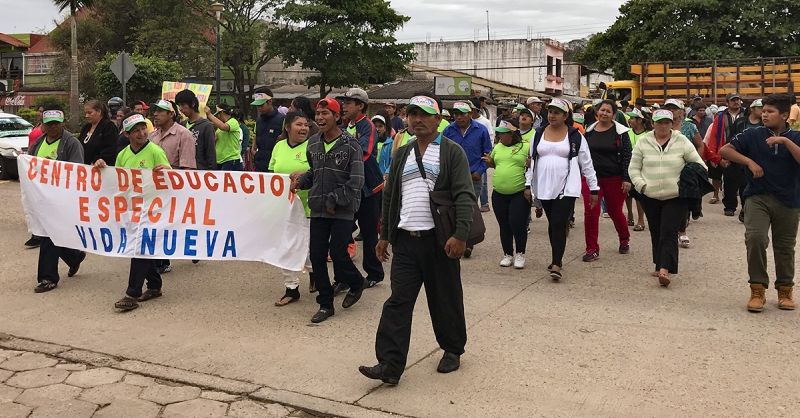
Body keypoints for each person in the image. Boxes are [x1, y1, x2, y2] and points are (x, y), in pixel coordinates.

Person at [359, 95, 475, 385]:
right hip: (406, 241)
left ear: (438, 120)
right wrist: (384, 235)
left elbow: (464, 194)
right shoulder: (402, 153)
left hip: (440, 240)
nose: (417, 119)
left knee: (444, 299)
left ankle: (452, 349)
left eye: (424, 115)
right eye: (412, 114)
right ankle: (390, 364)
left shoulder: (452, 152)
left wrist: (460, 234)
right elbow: (390, 196)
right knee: (398, 302)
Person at [719, 93, 800, 312]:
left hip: (789, 199)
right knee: (755, 238)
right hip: (757, 195)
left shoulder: (797, 136)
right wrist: (749, 161)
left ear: (784, 115)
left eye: (770, 111)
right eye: (763, 110)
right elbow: (725, 150)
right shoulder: (752, 134)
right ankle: (757, 289)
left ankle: (785, 290)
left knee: (784, 247)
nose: (764, 114)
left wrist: (784, 141)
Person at [290, 98, 366, 323]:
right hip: (318, 208)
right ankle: (325, 303)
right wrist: (301, 182)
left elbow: (356, 181)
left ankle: (355, 282)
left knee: (339, 254)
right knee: (317, 255)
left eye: (326, 113)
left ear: (337, 117)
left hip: (342, 210)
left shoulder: (351, 145)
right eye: (318, 114)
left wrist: (335, 199)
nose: (321, 118)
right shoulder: (313, 144)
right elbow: (314, 173)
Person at [94, 113, 171, 311]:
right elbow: (117, 180)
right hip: (132, 210)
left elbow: (171, 180)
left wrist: (167, 172)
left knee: (139, 248)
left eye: (143, 128)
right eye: (136, 130)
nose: (141, 133)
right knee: (140, 248)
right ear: (127, 134)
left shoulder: (155, 151)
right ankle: (154, 285)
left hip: (153, 209)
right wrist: (102, 167)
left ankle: (132, 293)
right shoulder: (123, 155)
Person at [629, 110, 705, 287]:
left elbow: (698, 164)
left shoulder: (682, 141)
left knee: (669, 230)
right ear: (653, 123)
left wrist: (687, 180)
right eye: (659, 122)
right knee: (656, 230)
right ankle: (658, 263)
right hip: (650, 195)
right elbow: (633, 168)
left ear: (672, 123)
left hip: (676, 196)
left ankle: (665, 268)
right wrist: (642, 185)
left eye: (666, 122)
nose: (663, 126)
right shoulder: (643, 141)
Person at [525, 98, 599, 280]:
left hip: (566, 187)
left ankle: (556, 263)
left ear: (566, 116)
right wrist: (528, 184)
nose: (552, 115)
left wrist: (594, 188)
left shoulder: (575, 135)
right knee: (553, 224)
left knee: (558, 223)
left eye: (557, 112)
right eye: (550, 112)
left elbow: (587, 163)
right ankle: (556, 256)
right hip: (543, 186)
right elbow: (530, 161)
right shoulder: (538, 133)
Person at [30, 107, 87, 293]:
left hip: (62, 199)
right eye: (49, 124)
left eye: (56, 123)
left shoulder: (71, 143)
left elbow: (77, 171)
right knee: (53, 234)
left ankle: (48, 277)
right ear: (43, 126)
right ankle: (74, 257)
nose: (53, 127)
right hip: (43, 198)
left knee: (48, 236)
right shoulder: (39, 142)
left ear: (63, 123)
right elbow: (31, 165)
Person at [339, 87, 385, 288]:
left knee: (368, 232)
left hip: (368, 188)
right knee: (342, 230)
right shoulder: (344, 126)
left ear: (360, 106)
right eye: (344, 102)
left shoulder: (368, 126)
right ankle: (346, 275)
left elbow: (363, 154)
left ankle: (374, 273)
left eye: (349, 103)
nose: (344, 106)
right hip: (350, 187)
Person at [270, 112, 313, 305]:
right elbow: (271, 173)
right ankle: (291, 287)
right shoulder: (278, 146)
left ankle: (315, 274)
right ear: (287, 127)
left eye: (306, 125)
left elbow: (319, 172)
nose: (304, 128)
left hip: (308, 207)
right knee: (286, 246)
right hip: (284, 207)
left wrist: (304, 175)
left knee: (310, 248)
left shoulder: (313, 147)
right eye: (299, 124)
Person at [582, 99, 633, 261]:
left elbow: (627, 156)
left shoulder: (621, 133)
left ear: (614, 114)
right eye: (602, 110)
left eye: (608, 111)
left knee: (614, 211)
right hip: (591, 179)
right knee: (591, 212)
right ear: (597, 112)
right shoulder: (588, 131)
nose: (604, 113)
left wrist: (626, 178)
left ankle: (624, 238)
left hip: (614, 178)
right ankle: (592, 249)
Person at [443, 101, 492, 258]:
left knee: (469, 207)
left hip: (474, 176)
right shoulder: (448, 130)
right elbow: (441, 152)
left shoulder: (481, 130)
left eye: (462, 114)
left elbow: (487, 154)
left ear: (470, 114)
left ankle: (468, 242)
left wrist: (480, 171)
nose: (459, 117)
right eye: (456, 114)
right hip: (452, 176)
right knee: (452, 207)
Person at [483, 119, 530, 268]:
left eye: (503, 133)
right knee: (504, 225)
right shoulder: (498, 147)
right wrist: (489, 161)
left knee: (517, 223)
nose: (500, 136)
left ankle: (520, 253)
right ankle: (508, 254)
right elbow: (495, 164)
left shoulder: (525, 147)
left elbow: (532, 166)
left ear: (512, 134)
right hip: (499, 193)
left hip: (519, 193)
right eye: (499, 133)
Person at [664, 98, 703, 248]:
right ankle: (668, 229)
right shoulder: (660, 125)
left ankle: (682, 230)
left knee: (682, 201)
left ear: (681, 111)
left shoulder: (689, 127)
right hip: (665, 168)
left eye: (674, 108)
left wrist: (695, 162)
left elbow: (700, 145)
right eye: (668, 108)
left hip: (685, 170)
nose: (671, 111)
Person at [704, 93, 745, 216]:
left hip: (744, 152)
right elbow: (714, 137)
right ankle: (730, 206)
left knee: (745, 182)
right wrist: (716, 157)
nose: (736, 102)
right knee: (729, 181)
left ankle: (745, 207)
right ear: (727, 102)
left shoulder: (746, 115)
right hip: (727, 152)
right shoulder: (720, 117)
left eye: (738, 100)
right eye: (733, 100)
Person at [730, 99, 765, 222]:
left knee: (751, 184)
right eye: (760, 108)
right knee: (739, 184)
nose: (763, 111)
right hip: (739, 157)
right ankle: (742, 207)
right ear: (752, 109)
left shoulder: (765, 124)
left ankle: (748, 209)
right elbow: (731, 138)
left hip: (757, 159)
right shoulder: (740, 122)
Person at [175, 89, 216, 170]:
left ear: (193, 104)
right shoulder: (181, 125)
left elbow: (211, 155)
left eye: (183, 105)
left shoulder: (206, 126)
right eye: (179, 106)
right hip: (182, 173)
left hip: (200, 174)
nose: (180, 109)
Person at [149, 99, 196, 170]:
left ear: (171, 114)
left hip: (175, 180)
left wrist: (169, 171)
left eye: (160, 111)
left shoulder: (184, 135)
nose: (155, 114)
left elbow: (188, 169)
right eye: (155, 111)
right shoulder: (152, 136)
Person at [24, 106, 45, 249]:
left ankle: (39, 235)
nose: (40, 113)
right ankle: (37, 234)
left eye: (42, 111)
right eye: (39, 111)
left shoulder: (47, 129)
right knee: (34, 203)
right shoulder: (37, 126)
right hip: (34, 167)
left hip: (46, 173)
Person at [251, 88, 285, 172]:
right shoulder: (258, 120)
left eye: (261, 105)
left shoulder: (282, 120)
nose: (258, 108)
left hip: (275, 164)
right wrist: (253, 150)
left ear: (270, 102)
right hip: (259, 163)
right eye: (257, 106)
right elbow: (256, 135)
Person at [625, 108, 649, 231]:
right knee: (627, 193)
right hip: (627, 166)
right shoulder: (627, 132)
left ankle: (641, 219)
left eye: (633, 118)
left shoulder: (648, 134)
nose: (630, 120)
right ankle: (629, 214)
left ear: (640, 120)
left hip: (642, 168)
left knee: (639, 194)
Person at [79, 100, 119, 165]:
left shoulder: (109, 127)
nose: (86, 116)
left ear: (99, 112)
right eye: (85, 113)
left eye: (89, 113)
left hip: (101, 168)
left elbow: (111, 149)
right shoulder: (86, 127)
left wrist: (98, 160)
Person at [205, 103, 243, 171]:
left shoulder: (233, 122)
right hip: (220, 160)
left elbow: (223, 127)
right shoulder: (220, 128)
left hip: (230, 160)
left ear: (221, 112)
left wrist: (209, 114)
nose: (218, 117)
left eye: (218, 115)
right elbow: (214, 139)